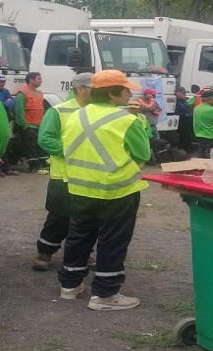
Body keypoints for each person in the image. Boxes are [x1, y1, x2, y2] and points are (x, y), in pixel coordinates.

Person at [57, 70, 152, 311]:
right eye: (126, 89)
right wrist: (139, 121)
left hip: (80, 188)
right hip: (117, 191)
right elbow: (143, 154)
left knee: (79, 236)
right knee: (112, 241)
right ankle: (105, 295)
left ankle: (70, 285)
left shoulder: (75, 116)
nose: (130, 93)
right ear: (113, 93)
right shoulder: (126, 120)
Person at [32, 72, 93, 271]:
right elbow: (46, 139)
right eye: (94, 87)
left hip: (91, 176)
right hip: (63, 175)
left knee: (88, 218)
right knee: (59, 216)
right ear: (81, 89)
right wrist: (74, 152)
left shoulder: (99, 111)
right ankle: (45, 252)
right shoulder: (59, 111)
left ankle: (84, 254)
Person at [13, 72, 49, 172]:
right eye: (38, 78)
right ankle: (34, 165)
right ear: (31, 80)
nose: (41, 80)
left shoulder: (39, 93)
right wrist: (24, 126)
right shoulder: (22, 93)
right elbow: (19, 111)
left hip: (39, 125)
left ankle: (43, 163)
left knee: (40, 146)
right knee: (30, 147)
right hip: (29, 125)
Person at [173, 86, 195, 152]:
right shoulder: (175, 102)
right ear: (177, 93)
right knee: (183, 137)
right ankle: (182, 150)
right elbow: (175, 112)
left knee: (188, 136)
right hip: (182, 122)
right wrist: (186, 114)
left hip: (188, 122)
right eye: (183, 93)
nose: (184, 94)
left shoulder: (184, 100)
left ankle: (187, 149)